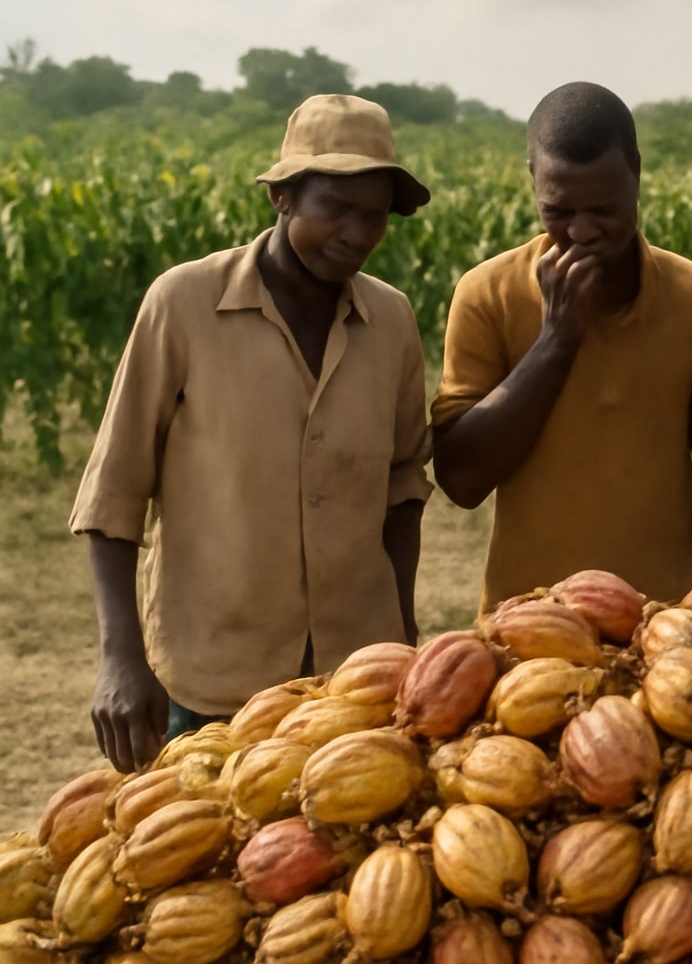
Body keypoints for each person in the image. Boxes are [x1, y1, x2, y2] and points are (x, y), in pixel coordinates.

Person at [70, 94, 434, 771]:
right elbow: (113, 492)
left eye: (375, 216)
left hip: (352, 680)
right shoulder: (183, 304)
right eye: (336, 207)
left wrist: (401, 637)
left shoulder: (391, 321)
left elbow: (403, 485)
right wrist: (121, 660)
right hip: (215, 676)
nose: (356, 232)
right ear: (284, 198)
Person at [432, 82, 692, 612]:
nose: (582, 232)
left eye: (604, 209)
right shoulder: (487, 294)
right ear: (533, 181)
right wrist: (557, 339)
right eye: (558, 211)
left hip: (661, 627)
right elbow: (462, 481)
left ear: (637, 174)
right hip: (528, 627)